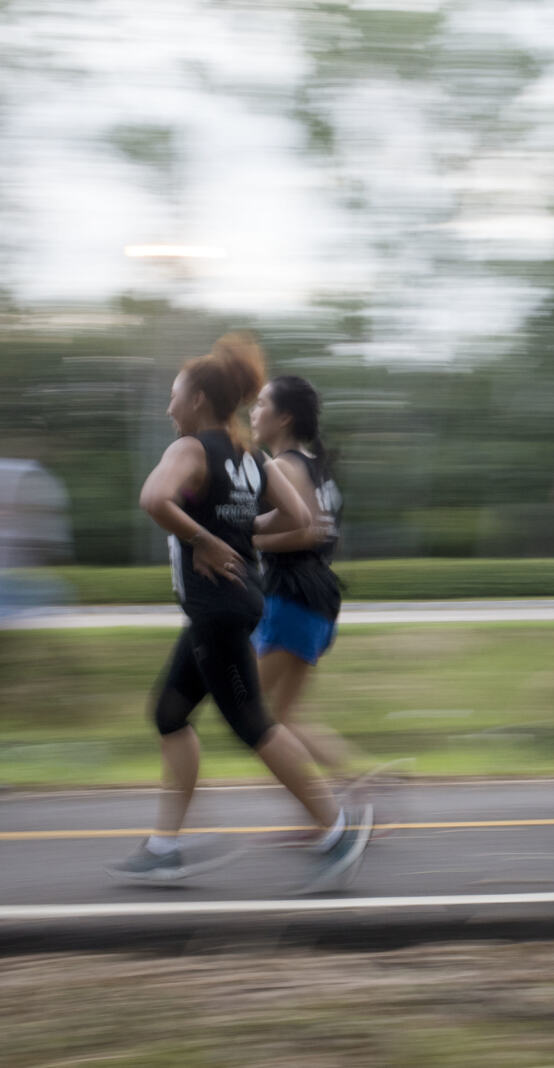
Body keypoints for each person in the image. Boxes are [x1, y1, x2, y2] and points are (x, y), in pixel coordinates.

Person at [107, 333, 372, 890]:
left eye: (175, 394)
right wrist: (240, 529)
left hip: (218, 611)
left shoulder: (190, 449)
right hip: (233, 605)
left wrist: (205, 538)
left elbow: (154, 500)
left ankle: (336, 829)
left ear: (200, 399)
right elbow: (299, 516)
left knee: (253, 722)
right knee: (169, 715)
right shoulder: (251, 457)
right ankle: (163, 847)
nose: (168, 406)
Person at [248, 375, 366, 786]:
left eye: (261, 404)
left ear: (283, 417)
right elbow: (326, 533)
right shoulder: (315, 466)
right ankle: (361, 789)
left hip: (293, 598)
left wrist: (247, 539)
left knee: (251, 712)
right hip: (312, 597)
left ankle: (326, 811)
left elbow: (310, 531)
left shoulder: (282, 466)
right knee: (285, 716)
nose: (252, 411)